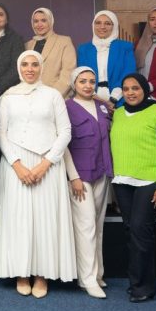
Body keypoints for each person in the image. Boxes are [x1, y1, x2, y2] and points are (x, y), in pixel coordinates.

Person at [0, 50, 76, 298]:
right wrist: (17, 165)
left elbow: (65, 131)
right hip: (15, 165)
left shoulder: (53, 95)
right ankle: (22, 272)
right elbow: (1, 133)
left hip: (47, 164)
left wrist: (45, 164)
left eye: (34, 64)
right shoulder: (8, 96)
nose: (30, 69)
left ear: (41, 67)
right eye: (25, 65)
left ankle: (42, 274)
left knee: (45, 220)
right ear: (19, 68)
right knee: (18, 220)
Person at [110, 73, 156, 303]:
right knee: (131, 230)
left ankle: (144, 287)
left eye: (135, 88)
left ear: (144, 90)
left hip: (150, 181)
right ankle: (136, 282)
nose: (130, 92)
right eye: (126, 89)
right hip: (123, 181)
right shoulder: (119, 114)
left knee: (140, 229)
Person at [63, 67, 113, 299]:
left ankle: (98, 273)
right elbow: (63, 145)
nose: (88, 85)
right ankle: (87, 279)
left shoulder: (102, 107)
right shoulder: (66, 107)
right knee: (86, 227)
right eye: (82, 81)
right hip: (80, 177)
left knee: (98, 225)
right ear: (74, 84)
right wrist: (73, 176)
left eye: (92, 81)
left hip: (101, 171)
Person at [76, 10, 136, 108]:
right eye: (98, 23)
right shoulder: (83, 49)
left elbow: (128, 74)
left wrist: (113, 99)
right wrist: (94, 96)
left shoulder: (125, 47)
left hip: (120, 98)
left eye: (107, 23)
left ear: (114, 26)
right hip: (90, 97)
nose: (102, 27)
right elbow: (81, 75)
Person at [25, 7, 76, 98]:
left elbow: (68, 73)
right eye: (36, 21)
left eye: (43, 20)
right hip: (30, 97)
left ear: (50, 21)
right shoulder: (27, 45)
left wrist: (51, 96)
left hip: (55, 96)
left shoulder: (64, 41)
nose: (39, 24)